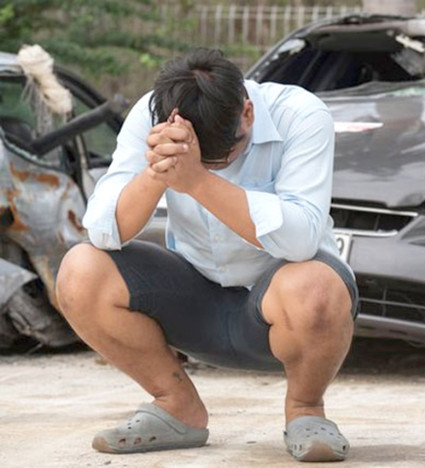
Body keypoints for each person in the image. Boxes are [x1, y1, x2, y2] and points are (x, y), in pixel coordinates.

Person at [55, 48, 357, 462]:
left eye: (226, 154)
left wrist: (196, 179)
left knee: (316, 285)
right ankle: (176, 406)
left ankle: (306, 410)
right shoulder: (152, 112)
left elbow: (302, 240)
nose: (218, 166)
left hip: (286, 312)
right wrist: (158, 171)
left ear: (247, 112)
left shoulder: (301, 114)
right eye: (206, 161)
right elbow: (103, 230)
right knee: (81, 270)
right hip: (195, 302)